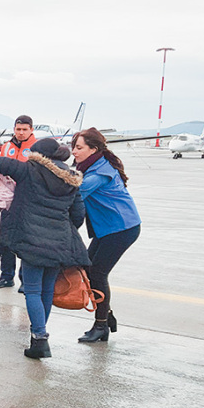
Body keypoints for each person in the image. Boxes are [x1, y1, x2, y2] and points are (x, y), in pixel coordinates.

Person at [0, 138, 89, 358]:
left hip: (32, 241)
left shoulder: (28, 170)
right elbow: (78, 215)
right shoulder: (72, 179)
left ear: (38, 156)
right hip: (59, 242)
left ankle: (40, 338)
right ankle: (38, 336)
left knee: (33, 290)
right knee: (46, 290)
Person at [71, 128, 141, 343]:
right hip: (108, 228)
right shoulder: (91, 165)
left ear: (93, 149)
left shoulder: (99, 173)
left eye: (79, 147)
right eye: (73, 146)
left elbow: (74, 191)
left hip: (121, 228)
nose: (74, 151)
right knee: (88, 270)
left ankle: (101, 326)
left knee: (97, 273)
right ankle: (106, 316)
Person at [0, 115, 36, 291]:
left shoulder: (36, 148)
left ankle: (26, 280)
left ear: (31, 129)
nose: (21, 133)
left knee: (26, 240)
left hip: (28, 200)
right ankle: (6, 276)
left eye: (25, 129)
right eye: (18, 129)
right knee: (6, 237)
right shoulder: (7, 147)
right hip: (8, 198)